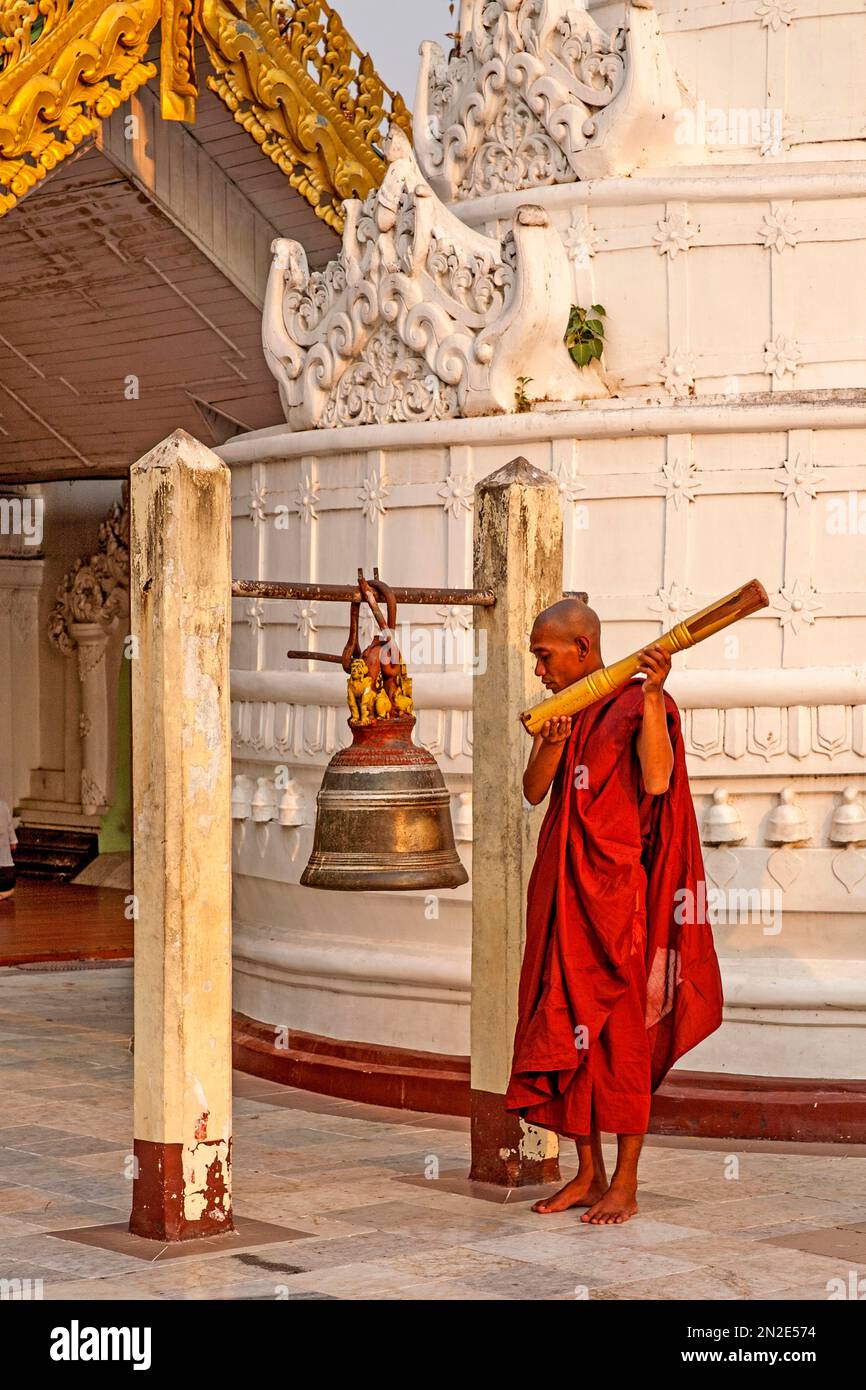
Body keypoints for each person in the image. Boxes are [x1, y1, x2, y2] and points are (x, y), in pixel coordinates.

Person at [504, 598, 723, 1225]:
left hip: (618, 897)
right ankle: (588, 1172)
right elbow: (533, 790)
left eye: (545, 657)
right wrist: (550, 743)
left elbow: (657, 781)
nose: (540, 671)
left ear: (583, 647)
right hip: (565, 895)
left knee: (620, 1036)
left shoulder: (635, 703)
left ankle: (625, 1180)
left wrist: (654, 697)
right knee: (566, 1020)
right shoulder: (565, 710)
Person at [0, 798, 17, 901]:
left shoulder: (3, 806)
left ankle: (4, 893)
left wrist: (13, 840)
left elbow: (9, 826)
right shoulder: (4, 806)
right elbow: (10, 826)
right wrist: (13, 840)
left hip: (6, 873)